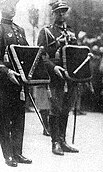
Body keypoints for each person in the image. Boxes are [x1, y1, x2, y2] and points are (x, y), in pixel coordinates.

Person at [0, 0, 32, 167]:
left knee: (19, 118)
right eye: (8, 4)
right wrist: (7, 71)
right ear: (0, 7)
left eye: (15, 4)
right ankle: (8, 155)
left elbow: (27, 54)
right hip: (3, 84)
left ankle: (18, 152)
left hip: (19, 84)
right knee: (5, 120)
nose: (12, 7)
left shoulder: (20, 31)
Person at [37, 0, 79, 155]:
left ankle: (63, 140)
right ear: (53, 13)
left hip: (70, 76)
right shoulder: (47, 32)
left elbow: (76, 52)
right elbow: (41, 55)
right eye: (58, 11)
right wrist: (53, 67)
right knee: (56, 108)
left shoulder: (71, 31)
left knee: (66, 109)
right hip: (55, 76)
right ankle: (55, 142)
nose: (61, 14)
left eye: (64, 11)